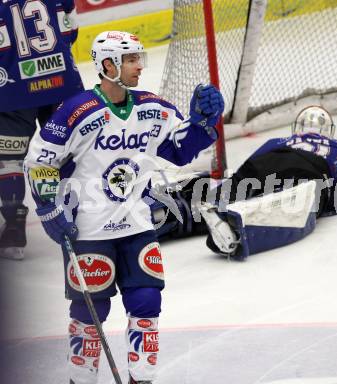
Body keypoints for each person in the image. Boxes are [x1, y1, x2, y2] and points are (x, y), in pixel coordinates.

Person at [24, 30, 224, 384]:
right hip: (88, 229)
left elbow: (178, 149)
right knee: (91, 310)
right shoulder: (75, 110)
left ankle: (141, 378)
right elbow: (40, 161)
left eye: (138, 59)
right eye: (130, 60)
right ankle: (81, 380)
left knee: (147, 302)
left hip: (138, 224)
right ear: (107, 64)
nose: (138, 67)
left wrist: (202, 125)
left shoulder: (151, 107)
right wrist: (49, 208)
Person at [195, 105, 337, 260]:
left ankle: (185, 209)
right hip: (311, 167)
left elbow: (246, 170)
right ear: (328, 132)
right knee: (296, 203)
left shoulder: (276, 141)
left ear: (296, 129)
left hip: (268, 161)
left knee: (237, 188)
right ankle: (237, 231)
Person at [0, 0, 84, 260]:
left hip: (13, 92)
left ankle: (14, 228)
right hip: (62, 85)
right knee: (69, 152)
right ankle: (84, 213)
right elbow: (71, 31)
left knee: (8, 160)